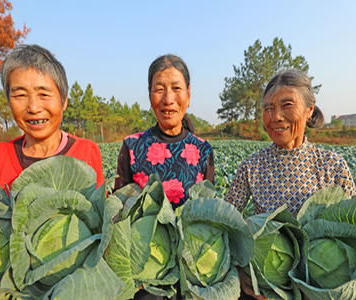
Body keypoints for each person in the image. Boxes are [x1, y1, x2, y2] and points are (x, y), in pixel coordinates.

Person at [225, 69, 356, 300]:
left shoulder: (333, 166)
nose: (275, 116)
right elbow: (224, 227)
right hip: (265, 291)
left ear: (309, 111)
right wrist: (239, 273)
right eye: (268, 108)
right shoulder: (251, 167)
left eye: (287, 105)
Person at [114, 54, 215, 299]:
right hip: (146, 273)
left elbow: (210, 214)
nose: (168, 99)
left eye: (176, 89)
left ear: (188, 94)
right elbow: (116, 211)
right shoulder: (132, 147)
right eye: (159, 89)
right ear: (149, 95)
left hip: (192, 269)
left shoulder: (203, 150)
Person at [0, 44, 104, 194]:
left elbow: (98, 214)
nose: (33, 108)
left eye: (44, 94)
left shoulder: (87, 152)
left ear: (64, 101)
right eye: (20, 95)